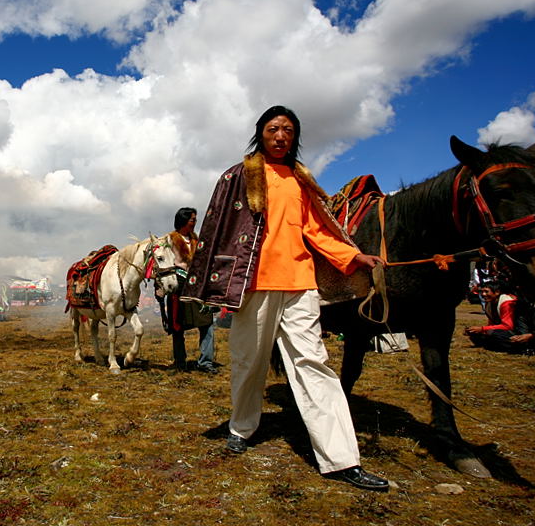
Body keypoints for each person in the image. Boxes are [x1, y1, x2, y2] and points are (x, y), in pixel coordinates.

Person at [181, 105, 389, 491]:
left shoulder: (299, 180)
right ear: (260, 133)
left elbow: (317, 230)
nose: (281, 136)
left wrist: (352, 256)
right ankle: (241, 428)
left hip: (299, 284)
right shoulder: (239, 176)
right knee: (249, 361)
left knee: (314, 363)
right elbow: (219, 227)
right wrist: (215, 281)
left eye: (288, 131)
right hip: (253, 285)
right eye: (273, 128)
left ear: (295, 138)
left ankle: (342, 458)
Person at [159, 207, 218, 374]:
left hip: (196, 286)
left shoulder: (195, 239)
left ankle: (206, 362)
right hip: (177, 285)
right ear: (184, 221)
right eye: (192, 220)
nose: (195, 222)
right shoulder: (168, 240)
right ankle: (180, 362)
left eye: (195, 220)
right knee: (178, 326)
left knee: (206, 323)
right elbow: (161, 265)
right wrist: (160, 287)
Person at [464, 280, 517, 352]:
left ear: (497, 292)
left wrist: (482, 329)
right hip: (501, 331)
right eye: (481, 292)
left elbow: (508, 326)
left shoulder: (506, 303)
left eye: (486, 291)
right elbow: (492, 324)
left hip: (514, 332)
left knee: (493, 334)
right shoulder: (489, 304)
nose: (483, 294)